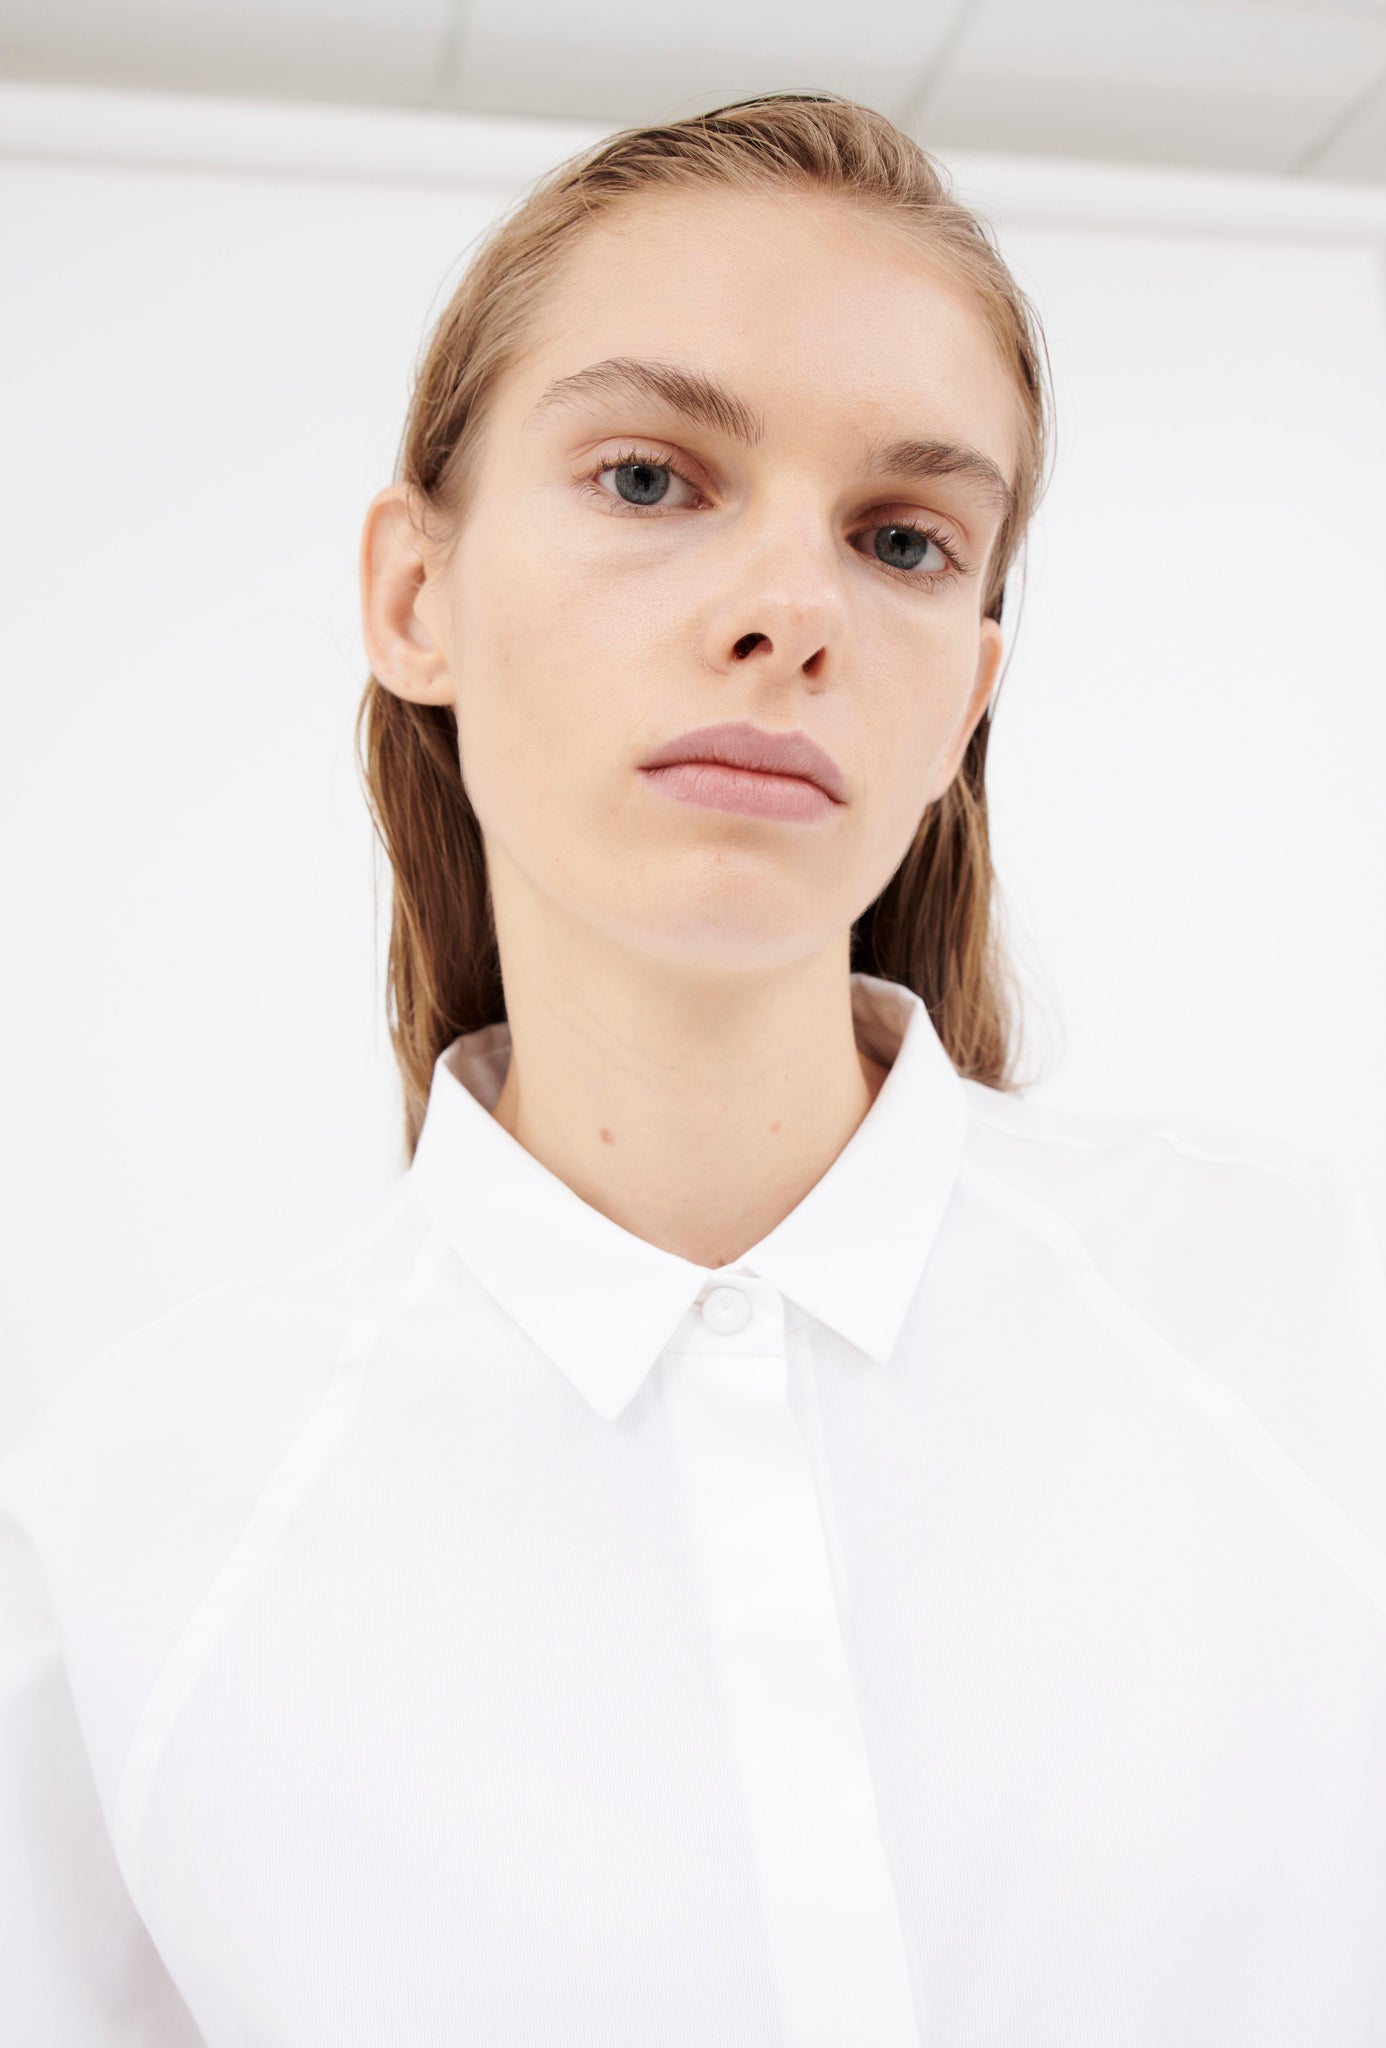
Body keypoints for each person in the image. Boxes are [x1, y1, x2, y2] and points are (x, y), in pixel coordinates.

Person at [3, 90, 1384, 2048]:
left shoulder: (1316, 1336)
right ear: (414, 597)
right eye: (651, 479)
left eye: (902, 541)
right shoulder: (132, 1526)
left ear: (966, 697)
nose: (789, 613)